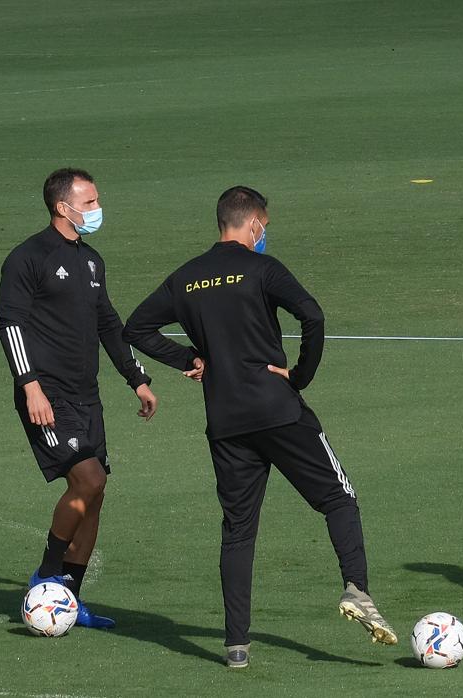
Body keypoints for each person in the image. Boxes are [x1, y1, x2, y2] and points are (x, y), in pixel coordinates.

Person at [123, 186, 396, 668]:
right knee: (338, 497)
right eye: (264, 226)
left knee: (238, 531)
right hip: (279, 411)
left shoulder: (186, 278)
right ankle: (356, 586)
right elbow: (312, 314)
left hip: (226, 422)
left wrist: (188, 358)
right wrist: (301, 375)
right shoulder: (262, 268)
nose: (264, 233)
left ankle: (236, 646)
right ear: (251, 223)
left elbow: (136, 329)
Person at [0, 167, 158, 629]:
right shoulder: (28, 258)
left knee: (97, 491)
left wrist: (137, 379)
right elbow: (10, 324)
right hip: (48, 395)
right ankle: (46, 576)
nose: (96, 210)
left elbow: (109, 323)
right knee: (86, 480)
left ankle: (69, 596)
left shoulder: (91, 261)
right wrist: (30, 386)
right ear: (61, 207)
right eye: (88, 203)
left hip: (88, 396)